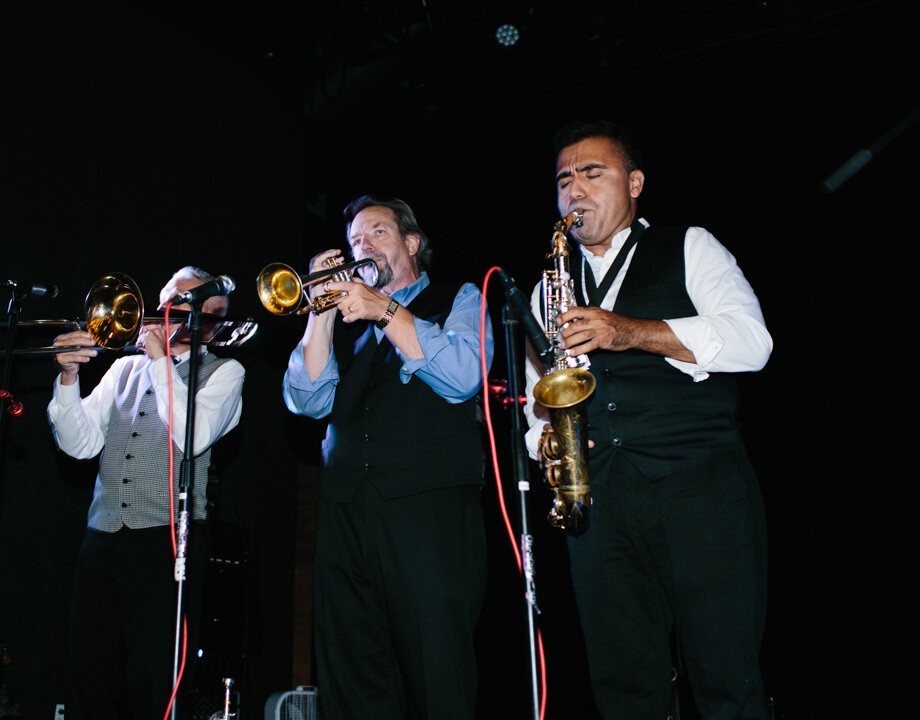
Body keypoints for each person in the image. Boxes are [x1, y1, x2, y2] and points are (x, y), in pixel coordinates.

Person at [524, 121, 773, 719]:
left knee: (724, 676)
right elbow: (539, 400)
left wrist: (628, 333)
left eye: (592, 174)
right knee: (623, 686)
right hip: (599, 503)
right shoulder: (545, 289)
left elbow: (752, 343)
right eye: (564, 180)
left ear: (634, 183)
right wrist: (546, 440)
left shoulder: (690, 246)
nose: (575, 191)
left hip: (699, 490)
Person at [283, 196, 493, 719]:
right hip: (346, 518)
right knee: (352, 681)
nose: (362, 247)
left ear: (412, 244)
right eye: (354, 241)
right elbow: (308, 401)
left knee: (436, 676)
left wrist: (386, 310)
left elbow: (464, 376)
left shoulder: (459, 297)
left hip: (430, 519)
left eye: (376, 233)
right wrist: (320, 311)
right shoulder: (347, 324)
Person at [47, 266, 245, 719]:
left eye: (176, 303)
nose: (160, 313)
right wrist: (68, 380)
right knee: (88, 676)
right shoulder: (123, 369)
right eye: (162, 302)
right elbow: (79, 447)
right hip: (101, 540)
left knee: (153, 679)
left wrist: (159, 361)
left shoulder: (226, 372)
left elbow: (189, 437)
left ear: (209, 317)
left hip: (165, 541)